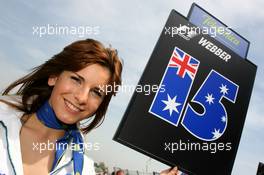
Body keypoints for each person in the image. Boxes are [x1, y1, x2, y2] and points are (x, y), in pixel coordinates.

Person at [0, 39, 179, 175]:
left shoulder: (83, 168)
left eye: (96, 92)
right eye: (76, 79)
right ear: (54, 76)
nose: (82, 97)